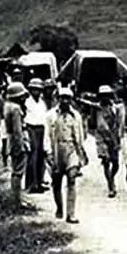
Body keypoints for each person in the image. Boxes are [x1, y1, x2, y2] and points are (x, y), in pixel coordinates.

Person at [44, 86, 87, 224]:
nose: (65, 101)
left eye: (68, 98)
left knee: (72, 179)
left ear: (71, 100)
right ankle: (59, 207)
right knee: (56, 182)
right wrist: (48, 152)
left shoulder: (76, 116)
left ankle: (71, 213)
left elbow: (80, 135)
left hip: (71, 148)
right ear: (58, 99)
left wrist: (81, 153)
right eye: (62, 98)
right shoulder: (51, 115)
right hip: (56, 148)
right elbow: (46, 135)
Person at [4, 82, 31, 207]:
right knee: (18, 172)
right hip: (18, 141)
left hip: (12, 140)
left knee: (16, 171)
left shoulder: (8, 106)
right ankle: (17, 200)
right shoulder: (16, 109)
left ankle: (16, 198)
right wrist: (21, 146)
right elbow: (17, 130)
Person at [94, 85, 123, 197]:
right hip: (101, 137)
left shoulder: (115, 108)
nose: (105, 97)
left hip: (113, 137)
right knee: (106, 161)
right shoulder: (97, 108)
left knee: (115, 163)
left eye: (107, 95)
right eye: (103, 95)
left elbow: (119, 123)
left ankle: (111, 177)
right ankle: (111, 185)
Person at [24, 78, 48, 193]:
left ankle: (39, 181)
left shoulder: (42, 103)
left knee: (41, 156)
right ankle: (31, 184)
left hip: (41, 128)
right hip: (31, 128)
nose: (36, 92)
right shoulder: (27, 102)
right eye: (34, 90)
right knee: (33, 156)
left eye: (38, 90)